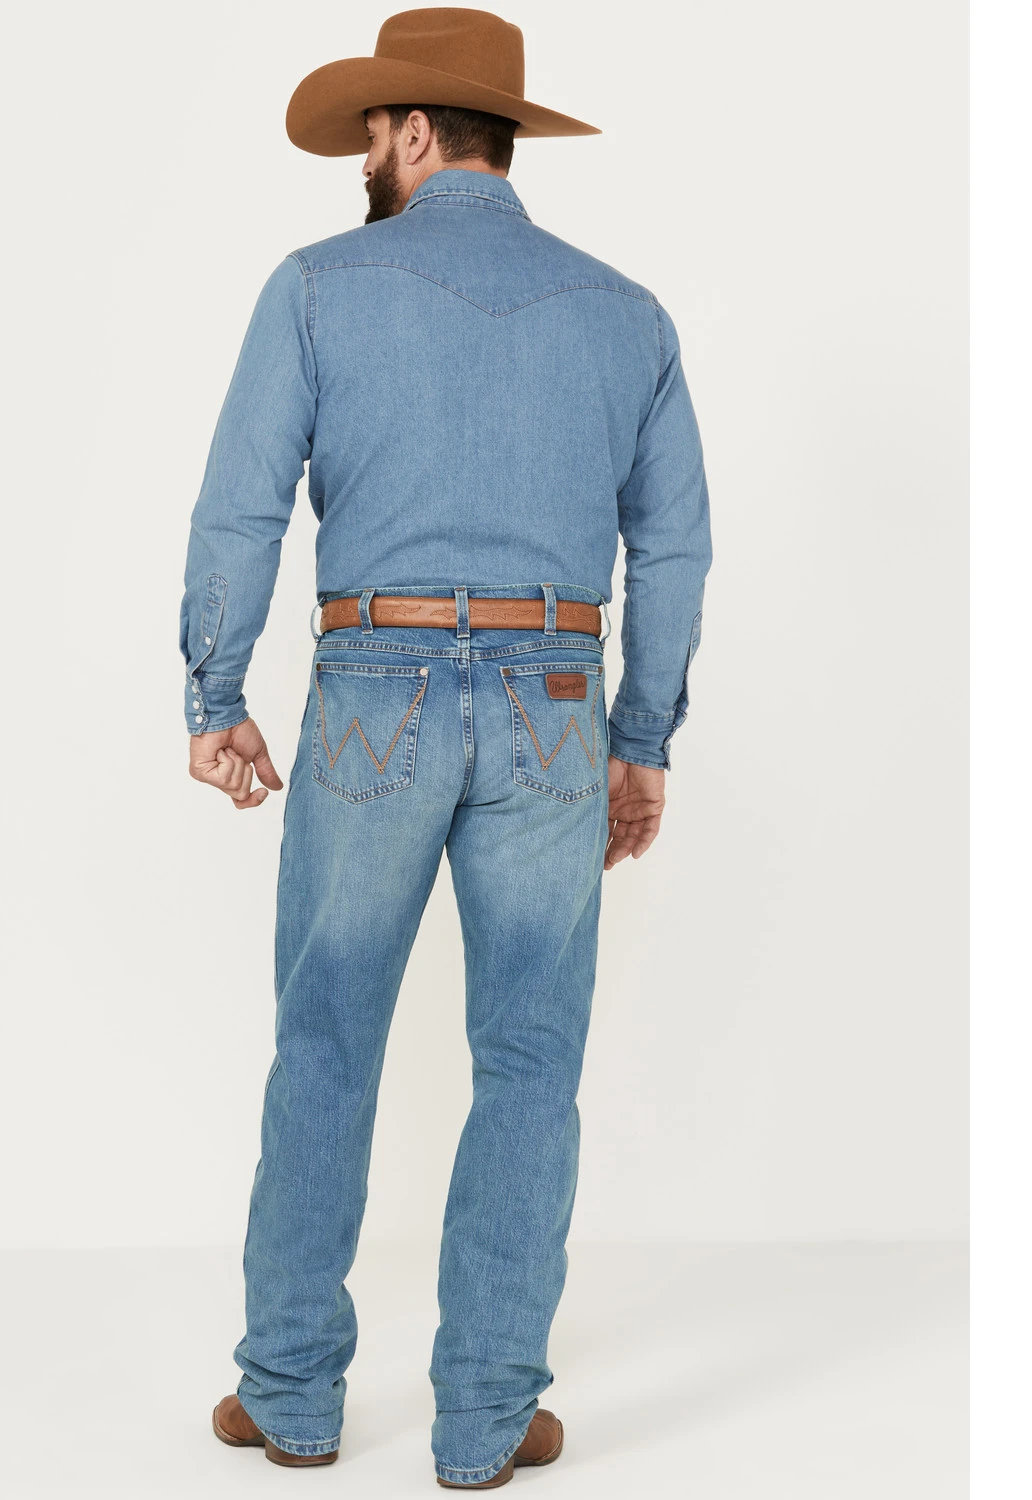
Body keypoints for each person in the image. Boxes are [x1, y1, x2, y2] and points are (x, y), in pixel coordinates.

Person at [181, 8, 711, 1489]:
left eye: (373, 133)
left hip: (374, 687)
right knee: (531, 1058)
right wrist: (640, 738)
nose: (366, 157)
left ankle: (292, 1394)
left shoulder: (313, 288)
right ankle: (486, 1420)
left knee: (325, 1038)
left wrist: (215, 695)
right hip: (556, 704)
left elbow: (240, 509)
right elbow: (674, 553)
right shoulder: (628, 315)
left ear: (415, 132)